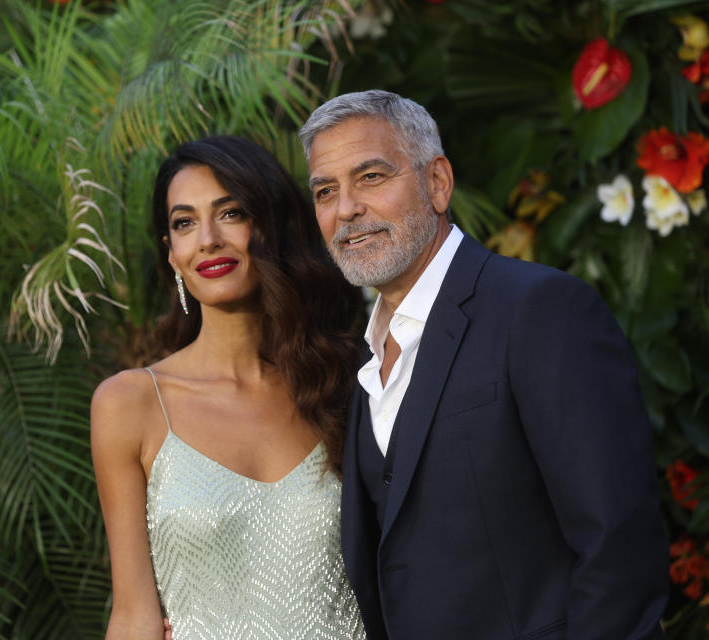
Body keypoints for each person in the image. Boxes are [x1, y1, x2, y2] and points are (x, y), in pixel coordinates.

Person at [299, 90, 670, 640]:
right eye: (325, 191)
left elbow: (618, 547)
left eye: (371, 177)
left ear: (438, 183)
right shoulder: (359, 357)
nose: (345, 208)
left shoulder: (539, 309)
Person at [90, 135, 367, 639]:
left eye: (231, 213)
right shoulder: (130, 404)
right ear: (172, 254)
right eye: (184, 223)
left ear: (271, 228)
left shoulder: (346, 384)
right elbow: (134, 615)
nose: (208, 239)